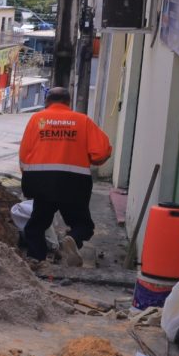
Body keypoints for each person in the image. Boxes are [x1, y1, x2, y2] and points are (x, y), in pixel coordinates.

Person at [18, 86, 112, 265]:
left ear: (47, 102)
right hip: (74, 182)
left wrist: (30, 180)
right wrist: (94, 160)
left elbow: (24, 154)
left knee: (36, 225)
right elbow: (101, 152)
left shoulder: (37, 119)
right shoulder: (82, 121)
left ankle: (37, 260)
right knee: (83, 225)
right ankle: (71, 241)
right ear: (69, 103)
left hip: (41, 181)